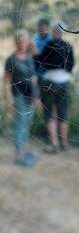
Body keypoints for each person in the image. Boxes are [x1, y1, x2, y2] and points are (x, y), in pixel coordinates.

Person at [36, 23, 74, 153]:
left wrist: (35, 54)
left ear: (53, 32)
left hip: (50, 80)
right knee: (63, 113)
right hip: (64, 81)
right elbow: (71, 65)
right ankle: (64, 143)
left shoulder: (49, 45)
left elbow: (40, 62)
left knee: (48, 112)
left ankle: (54, 144)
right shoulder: (68, 46)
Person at [3, 30, 39, 167]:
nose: (21, 43)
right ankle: (18, 155)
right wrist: (8, 100)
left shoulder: (30, 57)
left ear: (27, 41)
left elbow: (34, 77)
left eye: (24, 40)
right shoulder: (11, 60)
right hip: (18, 95)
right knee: (20, 124)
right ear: (15, 42)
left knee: (27, 123)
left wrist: (37, 96)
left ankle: (24, 151)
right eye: (19, 40)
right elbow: (6, 81)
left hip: (31, 95)